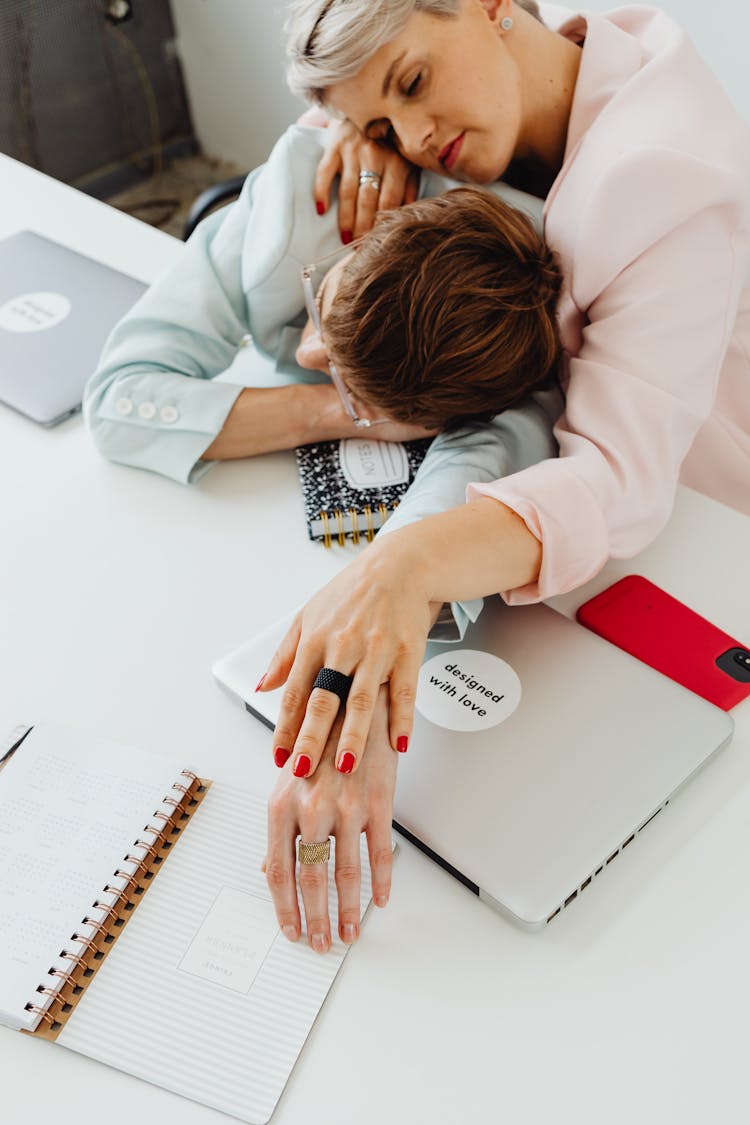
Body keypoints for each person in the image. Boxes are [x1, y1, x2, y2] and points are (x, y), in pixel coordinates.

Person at [259, 0, 750, 953]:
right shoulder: (506, 94)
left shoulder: (664, 172)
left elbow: (618, 479)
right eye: (384, 123)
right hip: (559, 522)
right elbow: (348, 105)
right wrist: (364, 134)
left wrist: (398, 569)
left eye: (410, 86)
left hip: (710, 538)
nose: (415, 137)